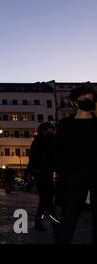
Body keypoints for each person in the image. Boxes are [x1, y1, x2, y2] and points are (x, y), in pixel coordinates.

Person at [55, 82, 97, 244]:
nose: (88, 100)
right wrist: (65, 173)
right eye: (84, 98)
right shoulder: (66, 125)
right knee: (69, 219)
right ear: (75, 102)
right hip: (73, 177)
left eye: (91, 98)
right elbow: (58, 151)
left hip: (95, 175)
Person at [28, 122, 58, 231]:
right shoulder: (43, 141)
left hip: (44, 172)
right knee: (47, 199)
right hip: (43, 173)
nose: (52, 132)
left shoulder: (40, 141)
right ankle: (53, 221)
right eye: (50, 130)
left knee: (46, 199)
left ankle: (44, 221)